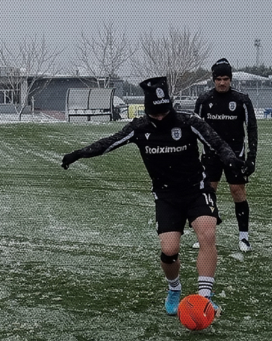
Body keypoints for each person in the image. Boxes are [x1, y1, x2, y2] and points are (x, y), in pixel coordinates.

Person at [61, 76, 244, 318]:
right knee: (169, 251)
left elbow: (217, 142)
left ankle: (204, 298)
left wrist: (231, 159)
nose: (160, 118)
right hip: (166, 195)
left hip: (196, 189)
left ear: (170, 106)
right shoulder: (139, 128)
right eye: (154, 114)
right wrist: (78, 154)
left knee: (208, 233)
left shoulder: (188, 122)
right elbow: (110, 142)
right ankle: (174, 288)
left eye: (164, 112)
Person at [193, 58, 258, 252]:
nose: (222, 83)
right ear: (213, 80)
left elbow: (252, 128)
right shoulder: (204, 100)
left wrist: (251, 157)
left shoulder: (241, 100)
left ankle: (244, 238)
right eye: (219, 79)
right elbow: (194, 129)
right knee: (207, 195)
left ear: (231, 79)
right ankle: (205, 236)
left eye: (226, 78)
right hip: (210, 156)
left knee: (237, 193)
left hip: (235, 155)